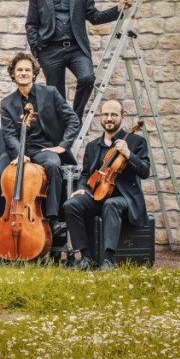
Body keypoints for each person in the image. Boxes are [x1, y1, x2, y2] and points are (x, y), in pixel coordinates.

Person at [25, 0, 132, 121]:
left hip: (76, 48)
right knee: (56, 94)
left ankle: (75, 118)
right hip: (50, 50)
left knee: (88, 78)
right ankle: (63, 128)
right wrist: (37, 49)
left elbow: (95, 17)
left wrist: (118, 8)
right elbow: (31, 24)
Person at [0, 51, 80, 240]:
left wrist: (62, 146)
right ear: (13, 74)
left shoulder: (50, 93)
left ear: (34, 74)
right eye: (19, 70)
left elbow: (73, 120)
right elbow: (9, 134)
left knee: (52, 164)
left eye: (27, 70)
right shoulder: (7, 103)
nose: (24, 73)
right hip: (19, 149)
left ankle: (53, 218)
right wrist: (18, 153)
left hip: (44, 148)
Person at [63, 100, 150, 270]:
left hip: (125, 198)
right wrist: (81, 187)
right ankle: (86, 257)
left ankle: (108, 260)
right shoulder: (92, 146)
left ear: (122, 117)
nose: (109, 118)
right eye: (106, 114)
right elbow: (87, 174)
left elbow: (145, 172)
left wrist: (128, 154)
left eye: (114, 115)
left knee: (111, 204)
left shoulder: (136, 142)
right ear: (101, 117)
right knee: (70, 205)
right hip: (97, 194)